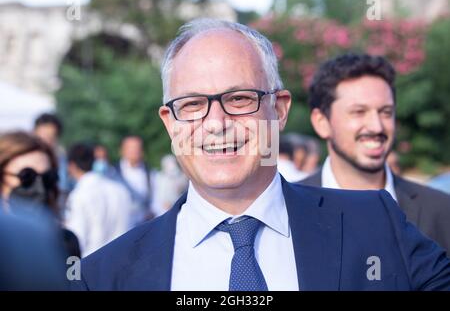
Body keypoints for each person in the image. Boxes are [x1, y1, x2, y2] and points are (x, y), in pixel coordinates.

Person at [71, 19, 450, 291]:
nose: (216, 122)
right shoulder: (104, 277)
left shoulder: (374, 224)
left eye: (239, 99)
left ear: (280, 109)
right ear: (170, 122)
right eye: (192, 104)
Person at [300, 53, 450, 256]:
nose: (376, 126)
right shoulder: (288, 210)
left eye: (386, 112)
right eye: (359, 112)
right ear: (321, 122)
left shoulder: (440, 211)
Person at [0, 131, 80, 258]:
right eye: (26, 176)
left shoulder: (66, 243)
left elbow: (73, 277)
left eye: (47, 178)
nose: (39, 189)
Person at [64, 143, 135, 257]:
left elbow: (77, 238)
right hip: (121, 259)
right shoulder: (121, 190)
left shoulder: (78, 195)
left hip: (91, 263)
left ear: (71, 166)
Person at [34, 113, 72, 205]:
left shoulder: (62, 164)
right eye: (42, 137)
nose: (45, 142)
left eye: (51, 138)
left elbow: (63, 190)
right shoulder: (22, 160)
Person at [115, 135, 155, 221]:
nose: (135, 151)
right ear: (121, 150)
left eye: (138, 148)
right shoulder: (113, 174)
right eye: (131, 148)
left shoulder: (150, 173)